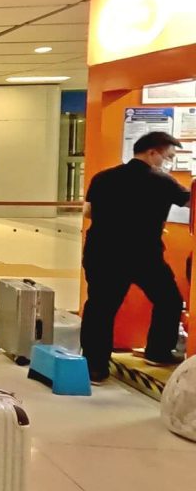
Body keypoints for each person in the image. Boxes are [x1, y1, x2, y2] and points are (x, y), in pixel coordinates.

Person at [82, 131, 190, 384]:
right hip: (144, 256)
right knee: (169, 300)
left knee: (100, 309)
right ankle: (158, 351)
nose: (167, 162)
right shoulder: (162, 181)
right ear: (152, 152)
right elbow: (189, 202)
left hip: (103, 253)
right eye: (167, 157)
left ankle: (94, 368)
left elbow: (88, 212)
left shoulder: (104, 177)